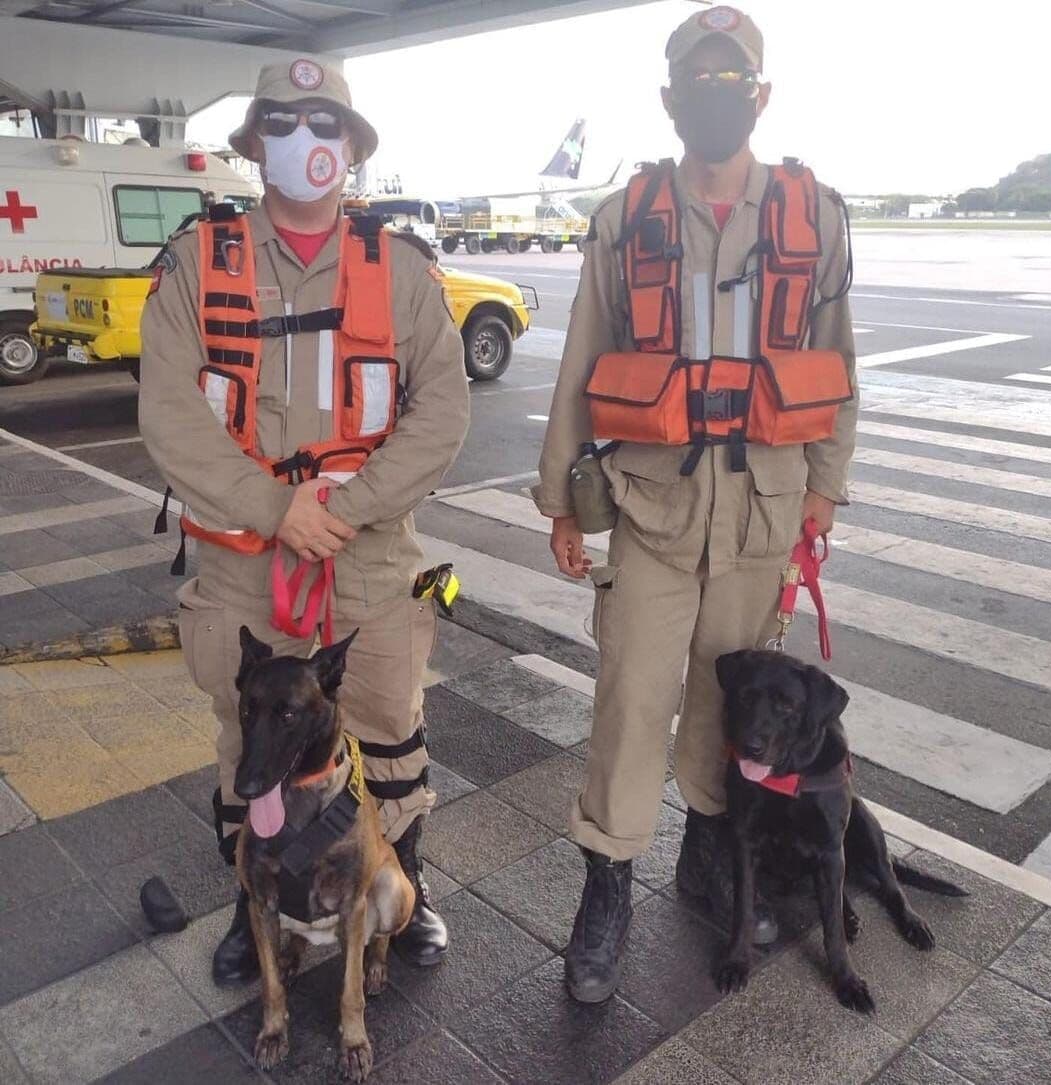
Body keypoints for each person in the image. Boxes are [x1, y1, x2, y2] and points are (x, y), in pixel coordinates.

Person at [532, 5, 857, 1002]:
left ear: (759, 96)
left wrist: (826, 492)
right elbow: (584, 357)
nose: (715, 96)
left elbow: (840, 365)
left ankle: (710, 854)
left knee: (731, 702)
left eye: (733, 81)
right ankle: (608, 885)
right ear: (669, 99)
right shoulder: (628, 216)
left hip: (762, 511)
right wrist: (559, 497)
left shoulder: (815, 215)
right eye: (697, 81)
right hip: (652, 503)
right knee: (631, 700)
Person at [139, 58, 469, 985]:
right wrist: (276, 507)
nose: (305, 140)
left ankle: (406, 883)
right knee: (251, 746)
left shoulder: (401, 271)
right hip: (245, 560)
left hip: (365, 557)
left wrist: (345, 512)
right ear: (254, 145)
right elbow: (166, 410)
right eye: (282, 123)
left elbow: (442, 411)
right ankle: (258, 908)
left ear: (353, 150)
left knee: (390, 736)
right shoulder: (199, 263)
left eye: (325, 124)